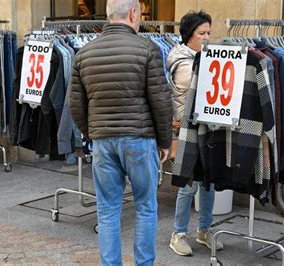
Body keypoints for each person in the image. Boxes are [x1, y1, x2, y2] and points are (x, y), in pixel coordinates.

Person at [69, 0, 172, 265]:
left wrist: (92, 133)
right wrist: (165, 141)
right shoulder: (147, 49)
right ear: (133, 13)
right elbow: (160, 101)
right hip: (140, 138)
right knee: (146, 207)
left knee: (107, 210)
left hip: (103, 141)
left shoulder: (84, 53)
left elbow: (76, 105)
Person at [167, 10, 223, 256]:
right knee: (189, 184)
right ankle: (178, 233)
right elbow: (200, 88)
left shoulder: (203, 57)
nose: (207, 37)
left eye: (209, 32)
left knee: (208, 182)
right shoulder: (183, 62)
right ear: (189, 35)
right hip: (186, 130)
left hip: (205, 128)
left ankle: (204, 229)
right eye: (202, 33)